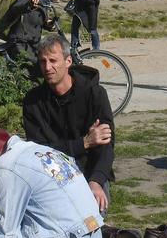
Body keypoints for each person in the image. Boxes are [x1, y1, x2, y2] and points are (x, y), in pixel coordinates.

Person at [21, 35, 113, 212]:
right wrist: (84, 143)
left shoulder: (94, 94)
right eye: (42, 62)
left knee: (93, 213)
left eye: (53, 60)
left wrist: (96, 181)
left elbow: (106, 145)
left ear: (68, 61)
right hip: (52, 173)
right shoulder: (33, 101)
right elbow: (40, 152)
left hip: (89, 169)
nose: (47, 67)